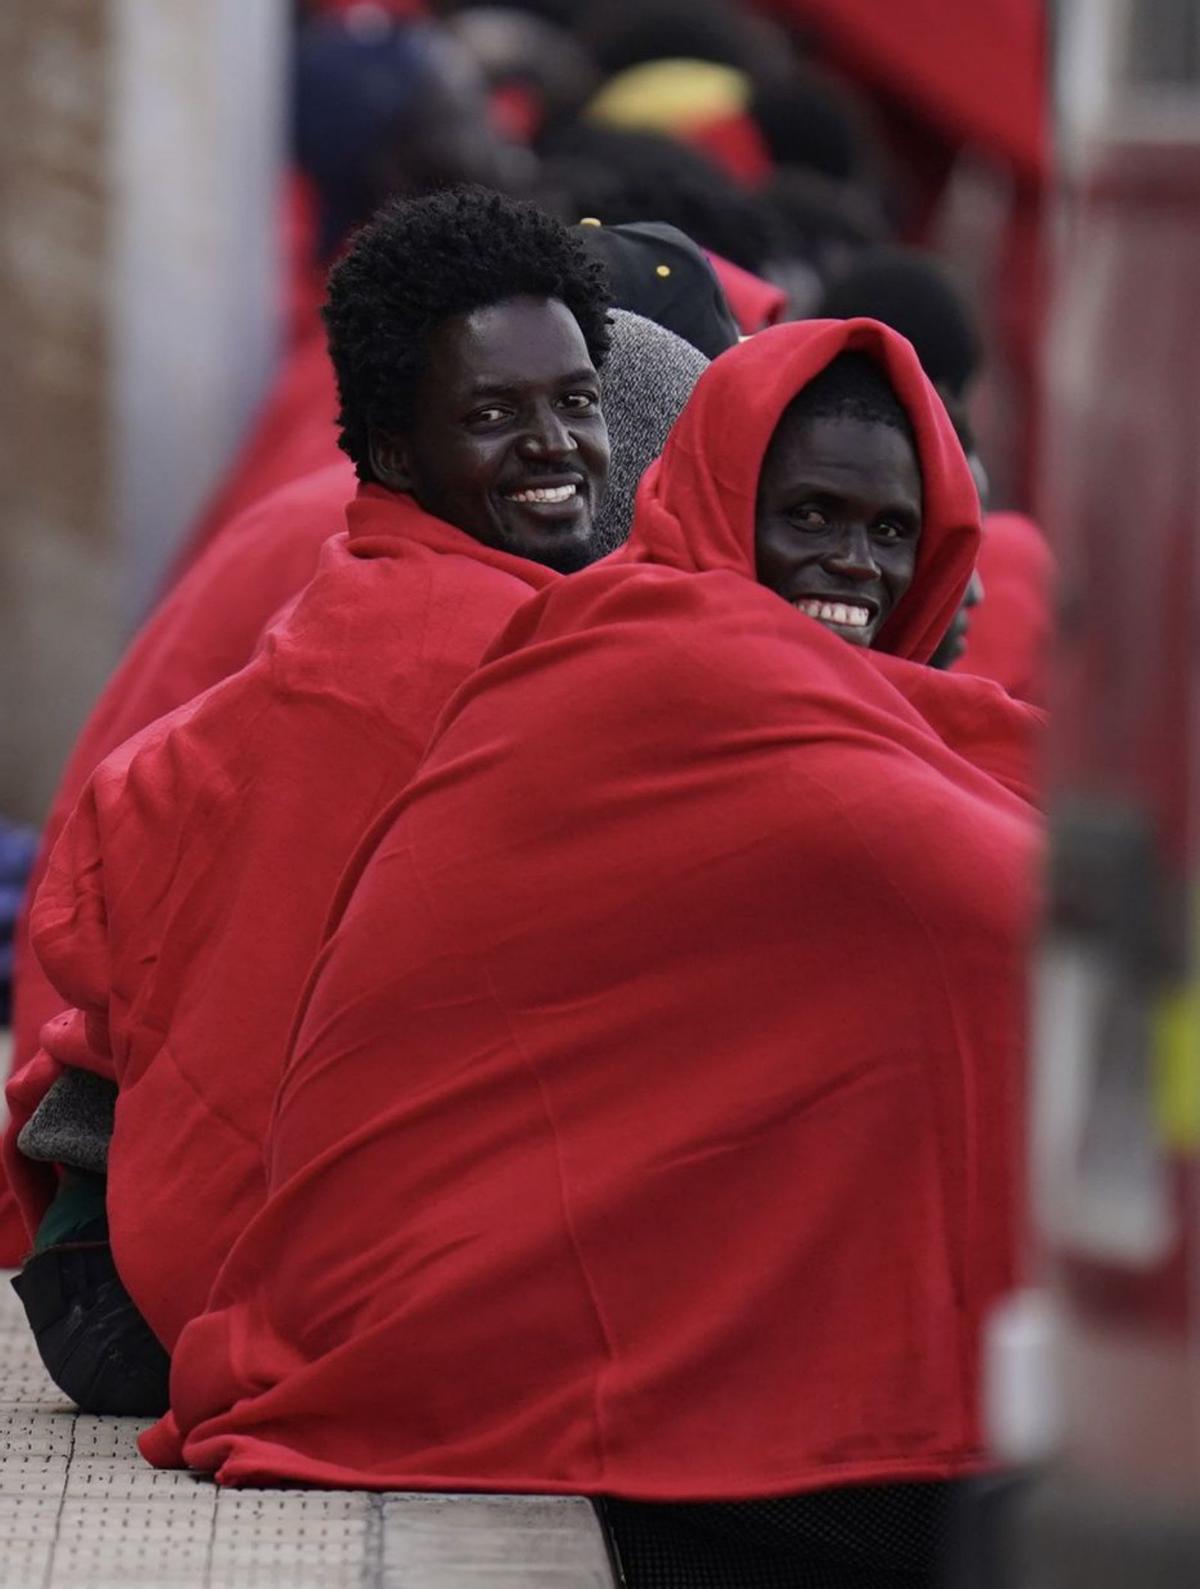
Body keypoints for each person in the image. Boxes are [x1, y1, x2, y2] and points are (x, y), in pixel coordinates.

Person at [151, 319, 1042, 1589]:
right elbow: (1026, 904)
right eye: (811, 516)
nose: (852, 564)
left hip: (454, 1315)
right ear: (722, 502)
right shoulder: (691, 664)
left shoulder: (663, 643)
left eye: (893, 534)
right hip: (456, 1353)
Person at [4, 186, 616, 1415]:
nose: (556, 444)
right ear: (396, 453)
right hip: (180, 1296)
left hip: (107, 1252)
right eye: (494, 413)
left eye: (578, 400)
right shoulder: (481, 650)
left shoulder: (374, 590)